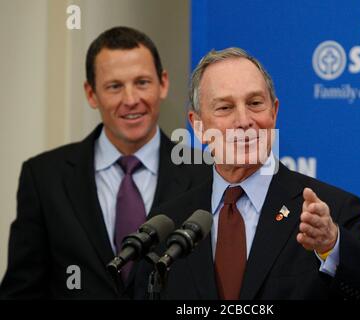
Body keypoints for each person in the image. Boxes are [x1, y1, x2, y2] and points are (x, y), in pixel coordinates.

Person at [135, 47, 360, 300]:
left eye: (255, 103)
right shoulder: (170, 220)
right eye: (225, 107)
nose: (244, 121)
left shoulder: (329, 211)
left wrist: (332, 246)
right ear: (198, 126)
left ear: (274, 112)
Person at [0, 26, 210, 299]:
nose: (131, 100)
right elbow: (22, 291)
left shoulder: (208, 174)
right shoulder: (44, 177)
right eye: (114, 86)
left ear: (163, 83)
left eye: (142, 82)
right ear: (91, 93)